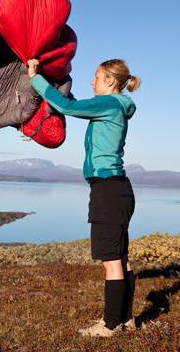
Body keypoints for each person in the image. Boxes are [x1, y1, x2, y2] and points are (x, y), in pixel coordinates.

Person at [27, 58, 141, 337]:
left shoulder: (110, 104)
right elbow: (75, 104)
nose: (93, 82)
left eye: (97, 77)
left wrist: (35, 79)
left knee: (111, 261)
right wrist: (59, 88)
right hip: (118, 190)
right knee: (121, 258)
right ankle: (125, 319)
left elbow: (66, 107)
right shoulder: (113, 106)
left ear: (111, 82)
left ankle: (110, 325)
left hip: (108, 190)